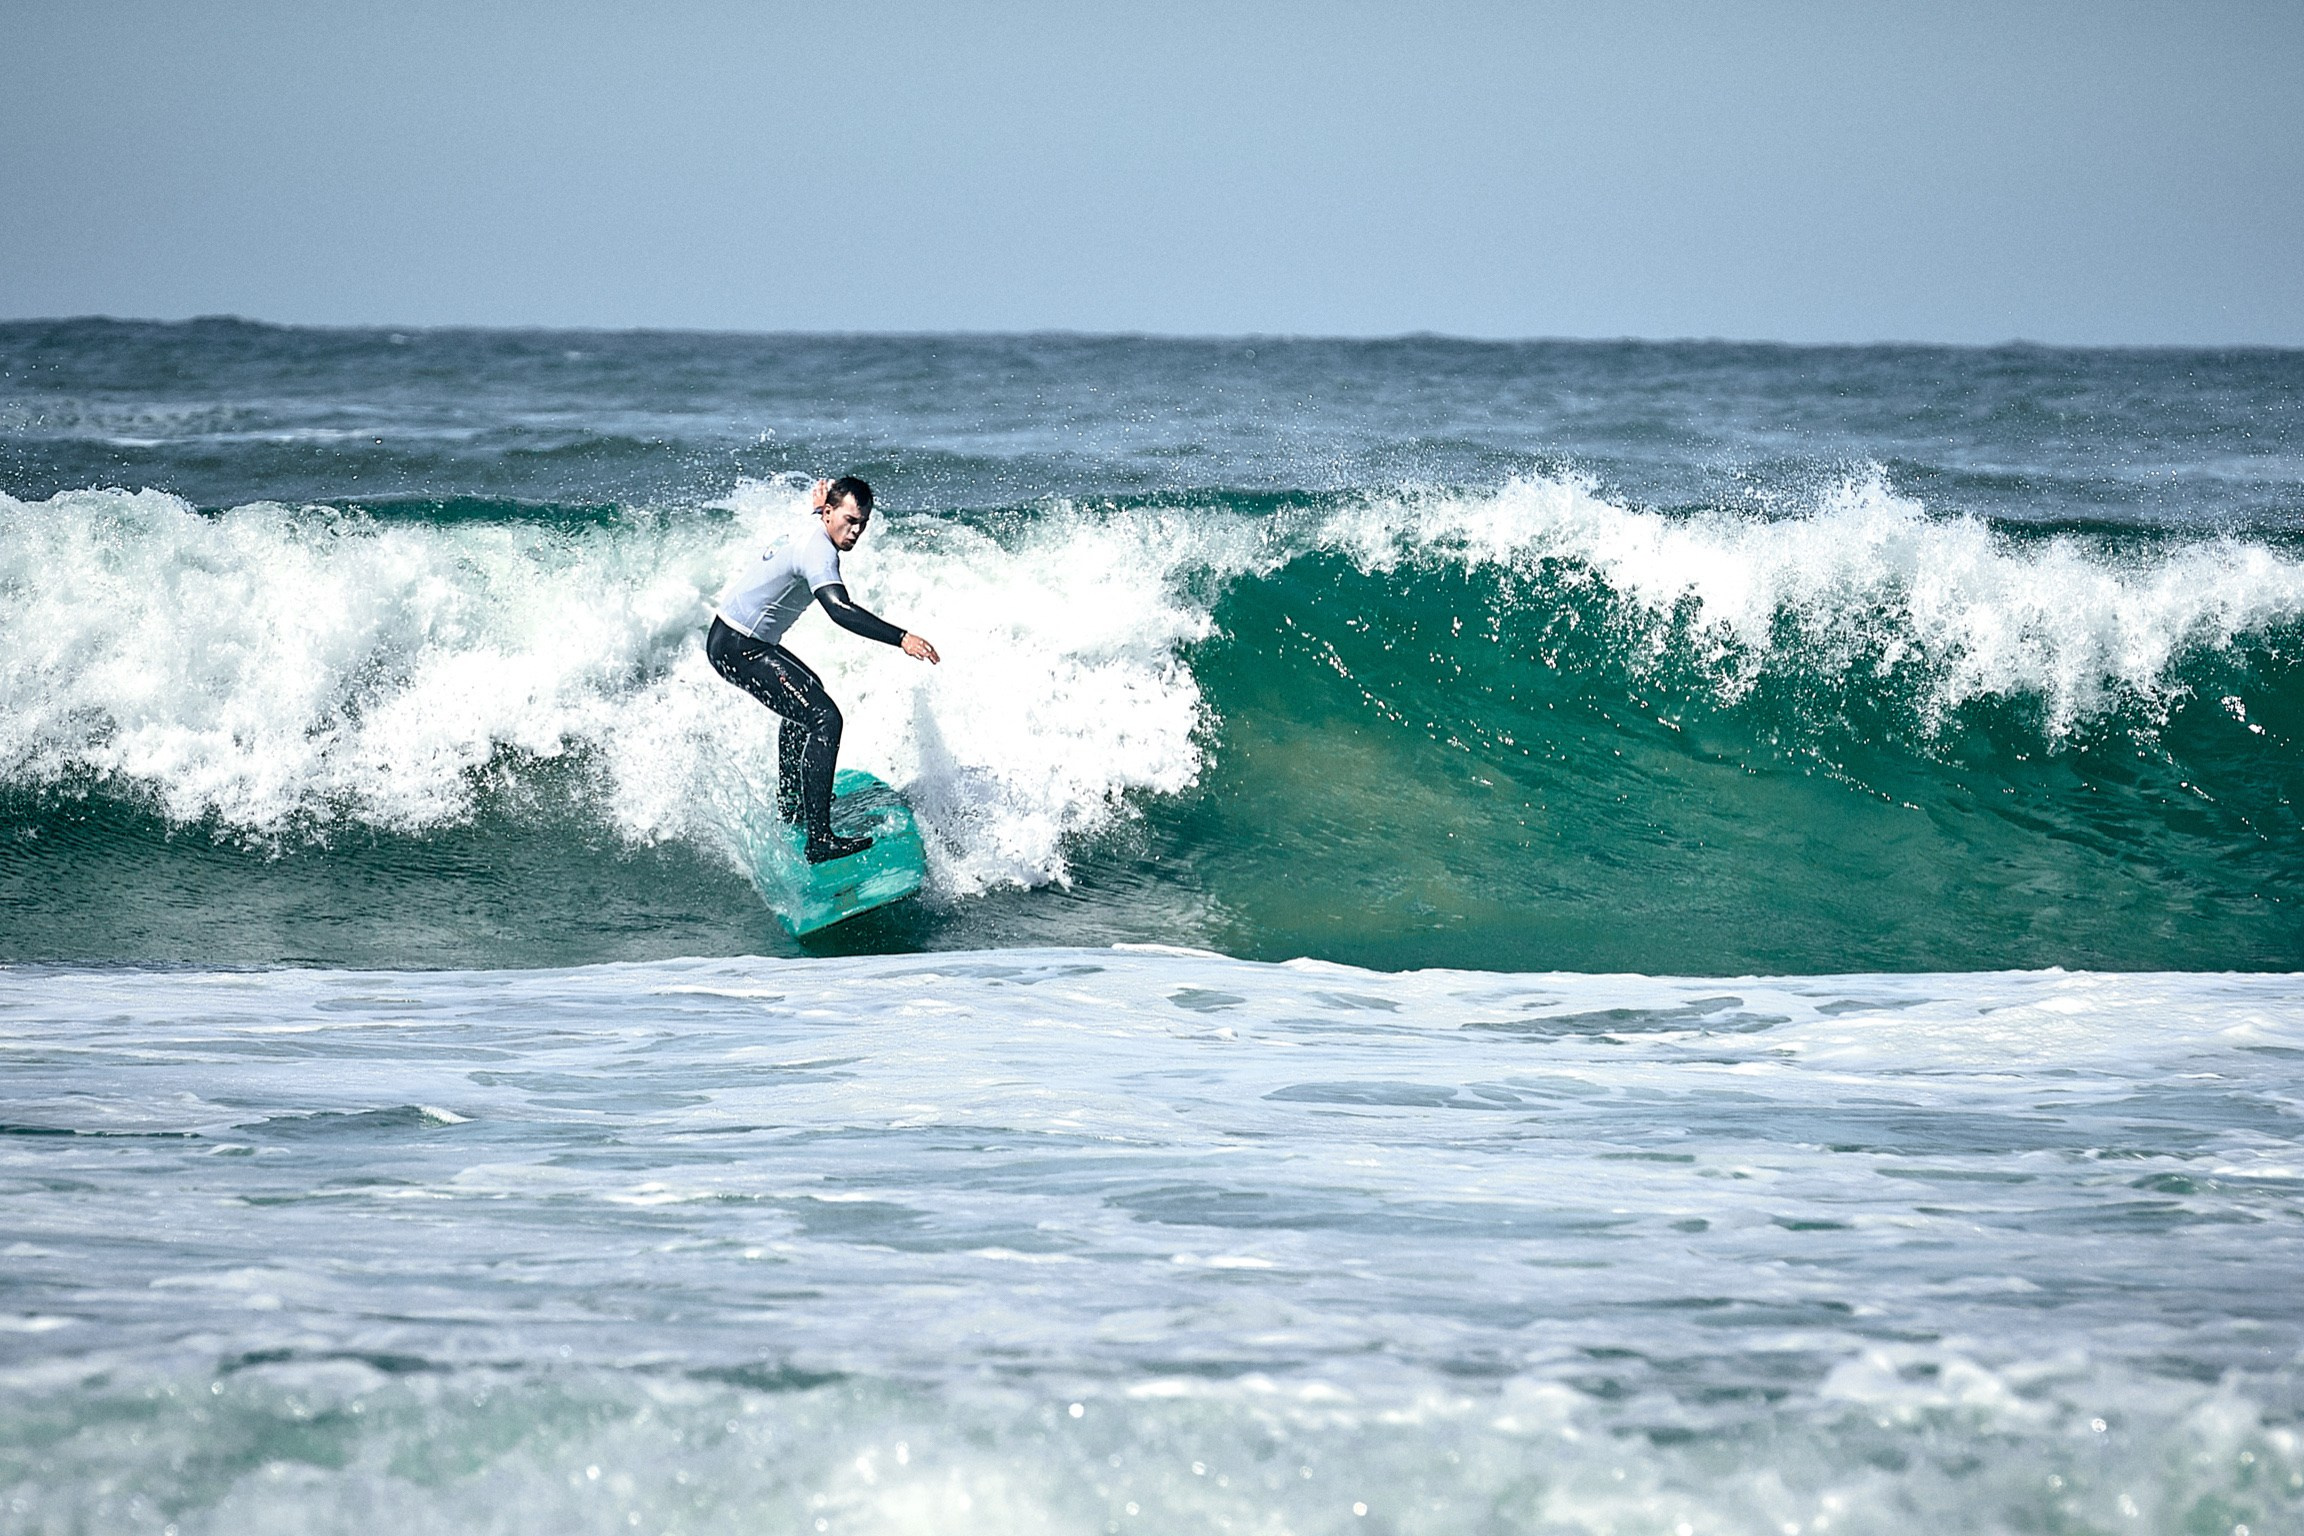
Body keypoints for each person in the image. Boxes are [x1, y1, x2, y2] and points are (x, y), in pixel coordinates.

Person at [706, 476, 939, 863]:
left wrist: (821, 508)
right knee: (824, 718)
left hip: (735, 638)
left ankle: (793, 803)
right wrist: (902, 638)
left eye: (863, 523)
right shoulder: (819, 552)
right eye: (850, 520)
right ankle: (819, 840)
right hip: (739, 646)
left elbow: (822, 527)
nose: (856, 531)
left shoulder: (817, 526)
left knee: (809, 694)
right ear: (830, 514)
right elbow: (838, 610)